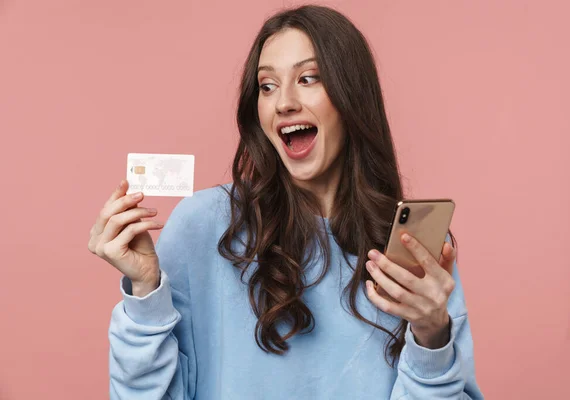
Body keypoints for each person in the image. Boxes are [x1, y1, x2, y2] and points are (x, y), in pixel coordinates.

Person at [88, 5, 484, 399]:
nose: (283, 103)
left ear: (351, 97)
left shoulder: (411, 246)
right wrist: (144, 291)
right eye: (267, 86)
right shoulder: (203, 227)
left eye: (308, 78)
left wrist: (431, 336)